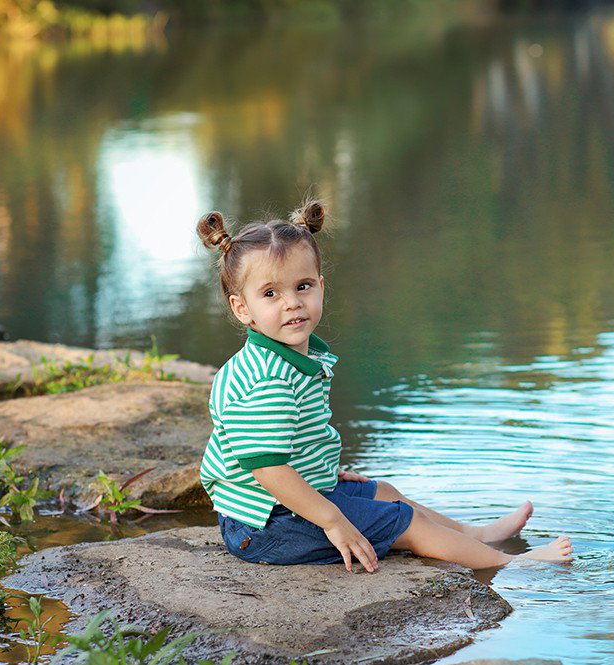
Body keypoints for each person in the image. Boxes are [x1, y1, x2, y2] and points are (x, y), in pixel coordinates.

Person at [196, 200, 573, 573]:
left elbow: (290, 440)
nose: (292, 303)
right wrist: (333, 521)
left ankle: (475, 535)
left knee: (386, 493)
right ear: (241, 308)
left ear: (321, 287)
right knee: (405, 523)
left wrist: (323, 470)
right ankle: (511, 563)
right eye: (270, 294)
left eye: (303, 286)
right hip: (265, 526)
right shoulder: (266, 379)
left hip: (282, 503)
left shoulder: (288, 359)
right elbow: (268, 469)